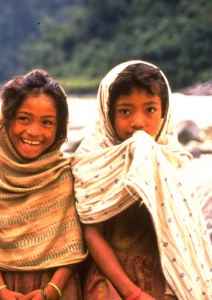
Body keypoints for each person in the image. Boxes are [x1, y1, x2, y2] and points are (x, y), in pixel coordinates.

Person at [71, 60, 212, 299]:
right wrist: (132, 293)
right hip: (112, 276)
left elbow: (186, 234)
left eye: (150, 110)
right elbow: (92, 233)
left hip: (166, 272)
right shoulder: (93, 159)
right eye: (125, 111)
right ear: (108, 113)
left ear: (164, 113)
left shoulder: (172, 161)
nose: (138, 122)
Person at [0, 69, 88, 300]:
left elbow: (73, 243)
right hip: (5, 287)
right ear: (6, 120)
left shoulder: (65, 174)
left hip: (59, 289)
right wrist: (0, 290)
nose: (34, 131)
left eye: (47, 122)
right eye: (24, 118)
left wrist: (52, 290)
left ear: (60, 128)